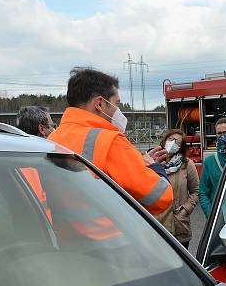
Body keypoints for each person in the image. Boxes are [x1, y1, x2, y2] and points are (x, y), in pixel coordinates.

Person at [49, 68, 172, 215]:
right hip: (109, 235)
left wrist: (138, 161)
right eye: (116, 103)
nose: (118, 110)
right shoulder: (109, 141)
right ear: (100, 104)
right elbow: (160, 197)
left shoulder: (50, 140)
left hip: (62, 234)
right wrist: (154, 167)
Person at [156, 129, 200, 248]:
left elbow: (196, 191)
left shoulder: (187, 164)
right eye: (171, 140)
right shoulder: (152, 163)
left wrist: (185, 210)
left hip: (179, 225)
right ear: (164, 140)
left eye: (178, 142)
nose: (173, 143)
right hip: (157, 223)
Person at [199, 117, 226, 217]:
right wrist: (210, 214)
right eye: (219, 133)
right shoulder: (210, 162)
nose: (222, 136)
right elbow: (203, 192)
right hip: (219, 217)